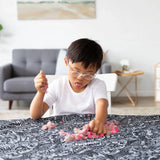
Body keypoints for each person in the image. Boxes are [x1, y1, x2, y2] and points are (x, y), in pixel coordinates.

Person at [30, 38, 108, 135]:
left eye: (88, 74)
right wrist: (40, 93)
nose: (80, 78)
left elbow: (102, 104)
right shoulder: (58, 85)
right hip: (60, 133)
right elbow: (35, 115)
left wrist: (99, 122)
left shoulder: (97, 85)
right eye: (75, 71)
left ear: (96, 71)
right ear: (66, 63)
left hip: (86, 132)